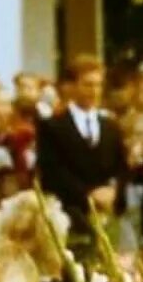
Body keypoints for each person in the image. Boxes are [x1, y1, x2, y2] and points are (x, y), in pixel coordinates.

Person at [36, 54, 128, 234]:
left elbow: (122, 168)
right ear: (72, 87)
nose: (94, 91)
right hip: (69, 217)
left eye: (98, 85)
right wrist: (88, 194)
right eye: (87, 84)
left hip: (107, 217)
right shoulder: (52, 126)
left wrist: (113, 191)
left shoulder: (110, 126)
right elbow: (52, 171)